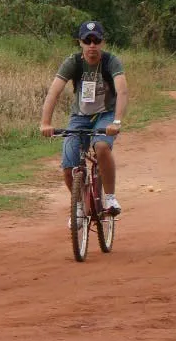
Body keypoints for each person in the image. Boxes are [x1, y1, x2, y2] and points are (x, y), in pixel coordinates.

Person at [40, 20, 129, 215]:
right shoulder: (73, 62)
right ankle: (79, 205)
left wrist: (117, 121)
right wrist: (45, 123)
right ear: (80, 42)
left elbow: (122, 91)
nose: (92, 45)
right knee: (68, 166)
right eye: (87, 41)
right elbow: (53, 92)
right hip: (79, 117)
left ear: (102, 42)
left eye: (96, 40)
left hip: (106, 115)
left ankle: (111, 198)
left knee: (102, 146)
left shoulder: (110, 61)